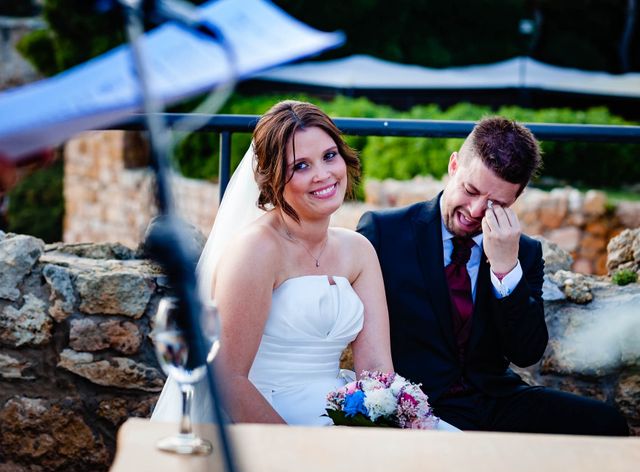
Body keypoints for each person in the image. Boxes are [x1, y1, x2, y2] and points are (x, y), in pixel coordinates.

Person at [151, 100, 457, 429]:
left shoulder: (359, 250)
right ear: (273, 178)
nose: (323, 175)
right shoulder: (255, 251)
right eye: (301, 166)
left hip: (341, 410)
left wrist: (388, 423)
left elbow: (376, 370)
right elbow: (228, 378)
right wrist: (296, 448)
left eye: (329, 156)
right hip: (271, 416)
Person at [357, 116, 629, 435]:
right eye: (470, 190)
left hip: (495, 400)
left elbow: (526, 353)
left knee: (607, 423)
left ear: (515, 199)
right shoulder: (383, 232)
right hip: (415, 403)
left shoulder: (524, 252)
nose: (475, 211)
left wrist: (506, 269)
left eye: (496, 203)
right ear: (454, 165)